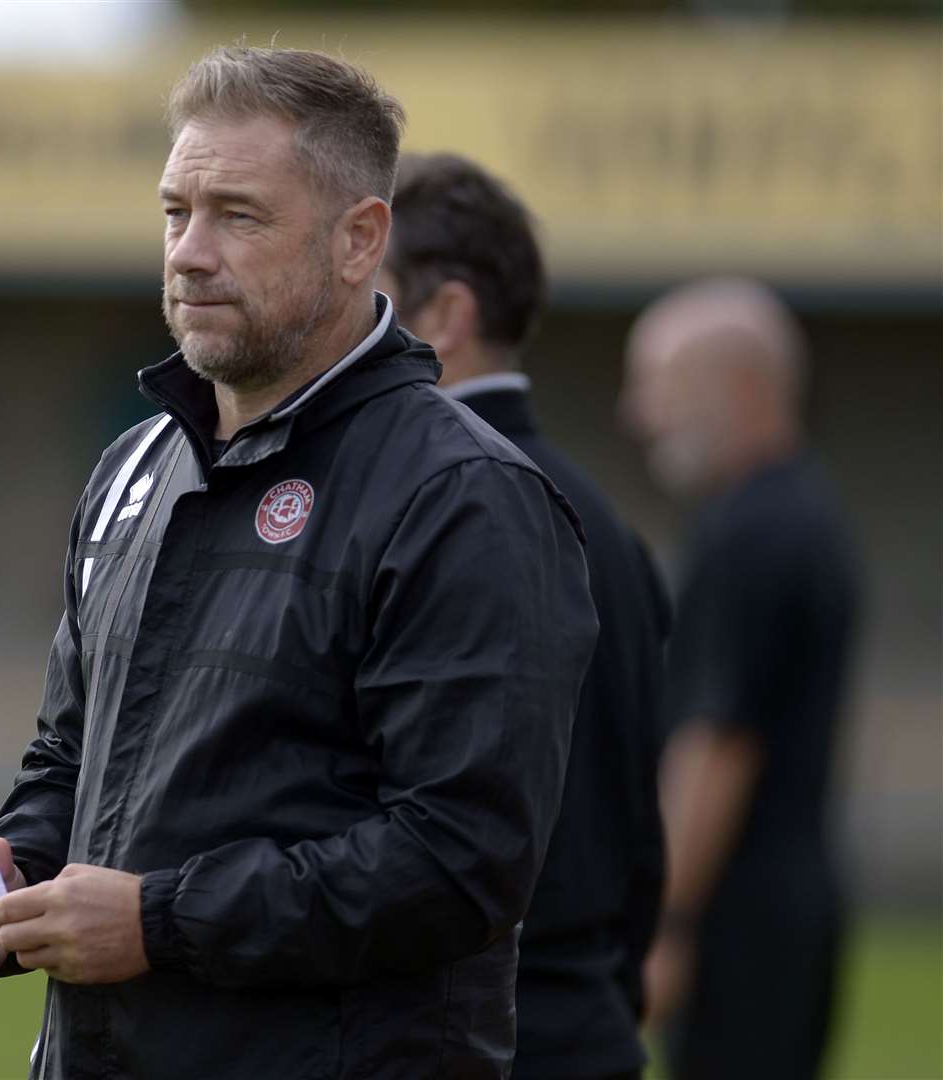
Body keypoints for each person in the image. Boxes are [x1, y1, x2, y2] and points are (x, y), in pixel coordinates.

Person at [0, 46, 598, 1079]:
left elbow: (460, 861)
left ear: (360, 240)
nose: (189, 253)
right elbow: (71, 761)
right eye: (174, 212)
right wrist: (9, 880)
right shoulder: (135, 466)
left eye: (238, 215)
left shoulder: (462, 496)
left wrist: (160, 920)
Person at [380, 153, 671, 1080]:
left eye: (365, 287)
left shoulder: (438, 507)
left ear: (446, 316)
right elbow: (640, 827)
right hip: (591, 1023)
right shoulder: (608, 520)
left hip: (485, 1036)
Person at [621, 278, 860, 1080]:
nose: (639, 415)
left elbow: (719, 743)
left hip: (740, 916)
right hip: (783, 908)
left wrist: (671, 923)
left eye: (659, 387)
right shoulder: (801, 512)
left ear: (742, 387)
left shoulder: (750, 535)